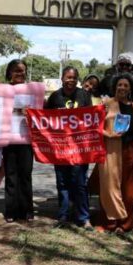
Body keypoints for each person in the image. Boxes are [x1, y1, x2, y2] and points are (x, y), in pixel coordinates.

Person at [45, 65, 94, 230]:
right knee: (62, 183)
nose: (70, 81)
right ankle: (63, 216)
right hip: (60, 149)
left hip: (80, 149)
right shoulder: (54, 97)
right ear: (62, 79)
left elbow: (92, 119)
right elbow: (44, 120)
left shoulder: (84, 96)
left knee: (80, 183)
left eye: (73, 78)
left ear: (77, 80)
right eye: (68, 77)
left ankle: (84, 218)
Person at [96, 73, 133, 233]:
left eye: (126, 85)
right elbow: (95, 126)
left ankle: (126, 224)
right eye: (119, 85)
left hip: (130, 151)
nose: (122, 88)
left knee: (129, 190)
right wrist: (108, 135)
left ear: (130, 89)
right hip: (110, 150)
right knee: (109, 187)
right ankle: (109, 223)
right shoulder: (106, 104)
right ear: (114, 87)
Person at [2, 59, 35, 223]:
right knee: (11, 175)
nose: (20, 73)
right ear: (9, 73)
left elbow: (40, 111)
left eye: (22, 70)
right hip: (8, 139)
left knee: (26, 175)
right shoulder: (3, 90)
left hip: (27, 140)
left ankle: (27, 210)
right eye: (16, 70)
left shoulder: (33, 90)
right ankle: (10, 211)